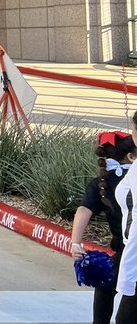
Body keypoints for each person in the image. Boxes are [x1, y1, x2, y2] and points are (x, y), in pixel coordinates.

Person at [71, 131, 137, 324]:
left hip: (125, 249)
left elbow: (83, 210)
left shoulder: (102, 183)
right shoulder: (131, 176)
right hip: (129, 250)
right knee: (126, 310)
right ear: (131, 156)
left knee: (106, 287)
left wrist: (75, 243)